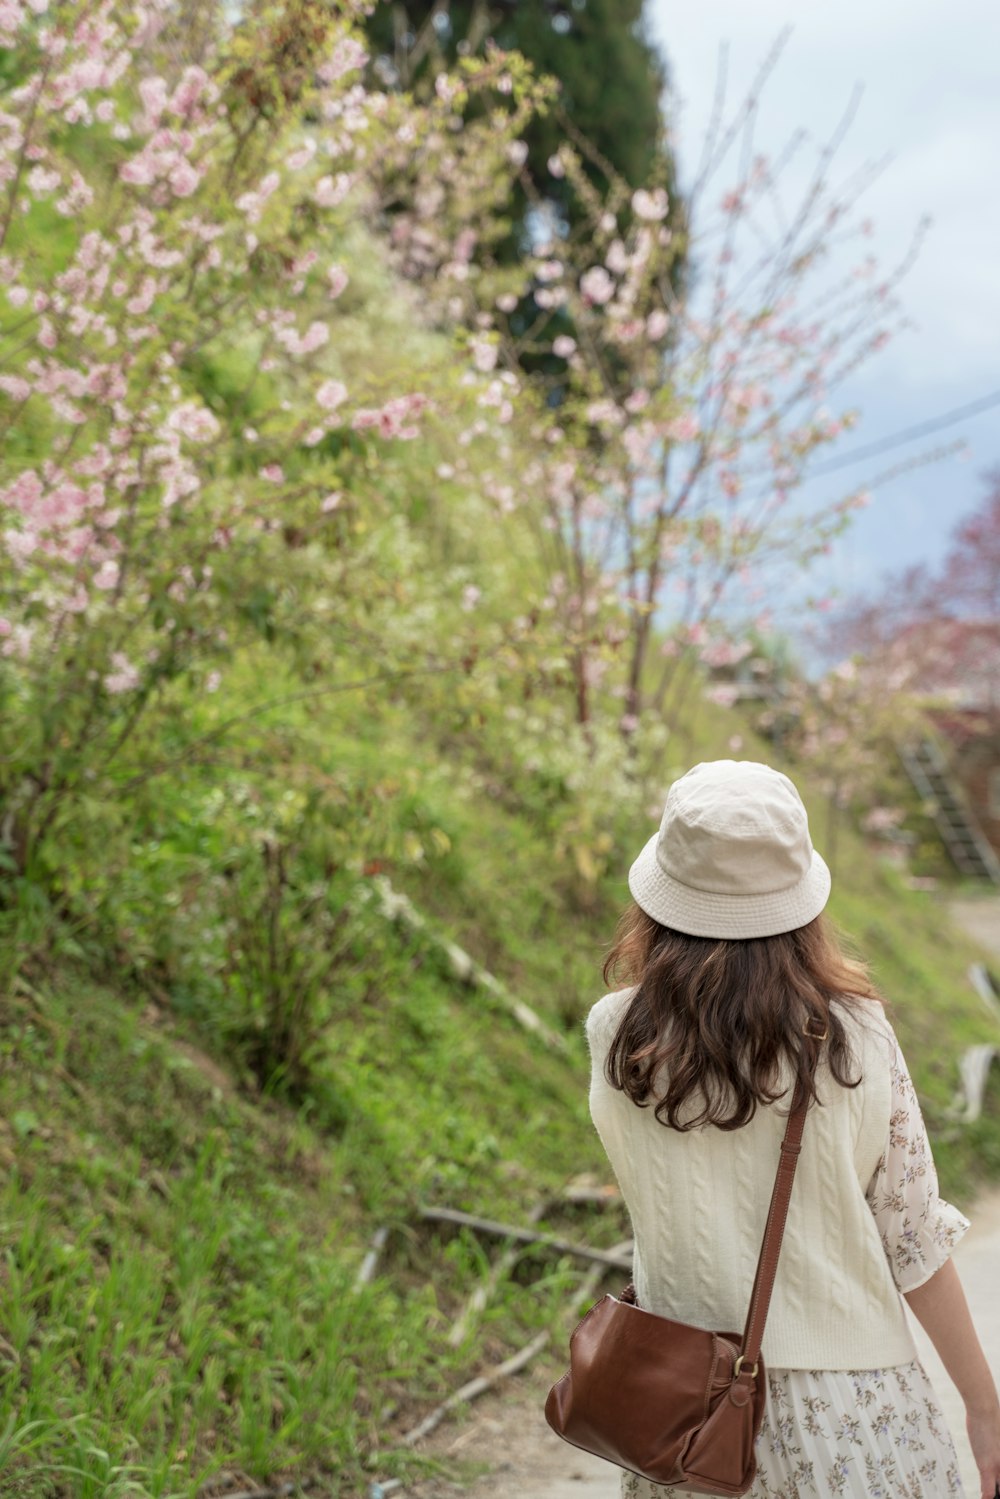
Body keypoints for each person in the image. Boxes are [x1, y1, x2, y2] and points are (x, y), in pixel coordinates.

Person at [585, 759, 1000, 1499]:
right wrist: (985, 1407)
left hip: (688, 1427)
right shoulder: (856, 1036)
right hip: (862, 1424)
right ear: (799, 900)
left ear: (662, 893)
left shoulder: (618, 1035)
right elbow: (913, 1240)